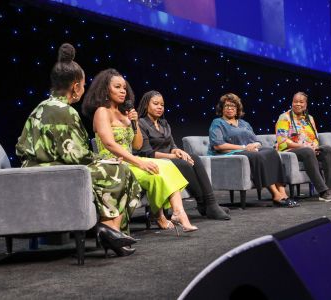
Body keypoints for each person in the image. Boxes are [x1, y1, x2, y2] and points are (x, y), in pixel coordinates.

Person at [16, 43, 140, 257]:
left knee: (120, 169)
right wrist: (102, 160)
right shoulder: (64, 112)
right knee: (120, 171)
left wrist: (101, 160)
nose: (84, 89)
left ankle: (111, 231)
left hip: (45, 168)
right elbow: (77, 156)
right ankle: (110, 230)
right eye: (83, 85)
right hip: (51, 172)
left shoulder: (43, 106)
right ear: (75, 87)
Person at [82, 68, 198, 233]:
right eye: (117, 87)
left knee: (167, 165)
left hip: (130, 160)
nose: (123, 91)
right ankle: (159, 216)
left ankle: (179, 213)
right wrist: (140, 163)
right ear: (105, 89)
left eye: (124, 87)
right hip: (113, 164)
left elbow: (136, 146)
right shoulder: (102, 112)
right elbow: (109, 144)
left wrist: (134, 124)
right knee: (154, 174)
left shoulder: (125, 114)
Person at [136, 90, 230, 220]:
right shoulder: (141, 123)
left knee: (194, 158)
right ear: (146, 105)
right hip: (154, 161)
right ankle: (205, 204)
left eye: (162, 105)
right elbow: (147, 152)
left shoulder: (164, 123)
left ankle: (210, 203)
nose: (159, 107)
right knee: (183, 163)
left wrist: (177, 151)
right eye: (156, 104)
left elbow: (172, 145)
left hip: (168, 158)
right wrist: (174, 156)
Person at [208, 93, 298, 208]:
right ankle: (275, 195)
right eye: (227, 106)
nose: (230, 109)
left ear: (237, 109)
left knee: (271, 152)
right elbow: (218, 145)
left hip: (248, 150)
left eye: (233, 106)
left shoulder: (244, 123)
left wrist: (254, 144)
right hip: (229, 153)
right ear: (222, 109)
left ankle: (283, 194)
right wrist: (244, 147)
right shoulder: (217, 123)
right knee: (257, 156)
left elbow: (257, 141)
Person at [275, 92, 331, 202]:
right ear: (292, 103)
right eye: (295, 102)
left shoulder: (309, 118)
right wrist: (304, 146)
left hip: (307, 150)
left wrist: (314, 146)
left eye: (301, 102)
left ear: (306, 104)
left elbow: (315, 138)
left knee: (327, 149)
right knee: (307, 151)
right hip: (289, 150)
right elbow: (282, 140)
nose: (298, 104)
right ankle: (323, 192)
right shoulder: (284, 117)